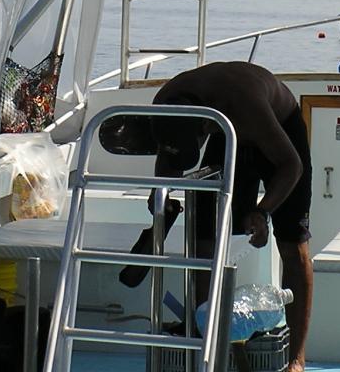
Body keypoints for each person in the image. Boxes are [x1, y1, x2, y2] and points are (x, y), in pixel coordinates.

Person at [100, 62, 313, 372]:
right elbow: (170, 154)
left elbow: (291, 166)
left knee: (293, 247)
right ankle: (205, 333)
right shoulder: (167, 103)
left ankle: (297, 359)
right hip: (225, 129)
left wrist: (262, 210)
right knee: (203, 234)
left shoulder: (244, 105)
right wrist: (162, 192)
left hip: (277, 130)